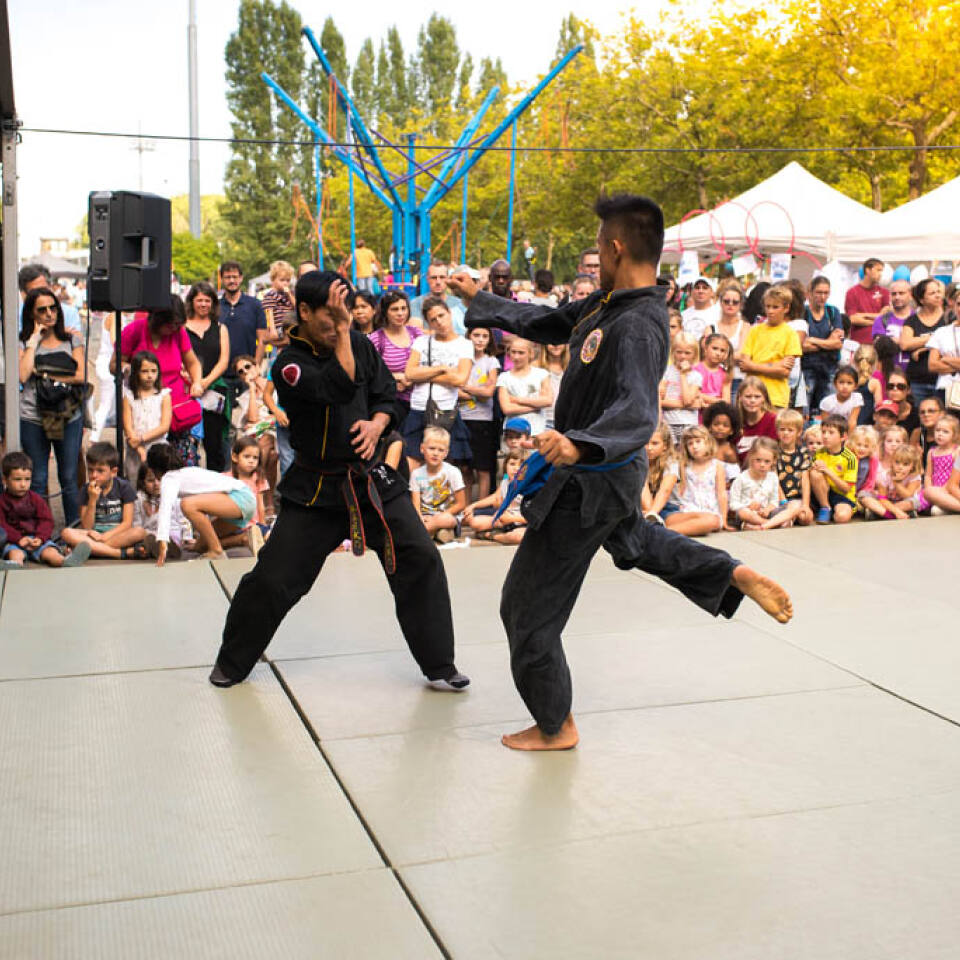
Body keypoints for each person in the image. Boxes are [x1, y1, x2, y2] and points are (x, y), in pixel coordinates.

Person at [449, 193, 792, 751]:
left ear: (614, 248)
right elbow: (549, 321)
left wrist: (580, 445)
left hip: (591, 475)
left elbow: (636, 409)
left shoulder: (636, 326)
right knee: (635, 541)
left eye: (598, 246)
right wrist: (482, 300)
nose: (596, 258)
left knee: (525, 607)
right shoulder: (608, 305)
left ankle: (555, 725)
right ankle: (728, 573)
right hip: (609, 473)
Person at [210, 271, 470, 692]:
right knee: (273, 579)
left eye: (344, 316)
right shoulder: (290, 364)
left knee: (420, 556)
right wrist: (347, 330)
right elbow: (339, 385)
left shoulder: (361, 345)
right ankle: (232, 661)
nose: (339, 327)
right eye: (330, 318)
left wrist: (377, 424)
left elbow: (388, 396)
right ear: (305, 311)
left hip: (371, 479)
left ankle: (440, 663)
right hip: (316, 487)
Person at [17, 287, 86, 526]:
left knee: (68, 476)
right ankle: (39, 530)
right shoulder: (24, 341)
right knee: (37, 477)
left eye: (53, 308)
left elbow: (81, 375)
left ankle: (73, 529)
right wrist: (33, 342)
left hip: (68, 415)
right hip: (33, 416)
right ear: (31, 314)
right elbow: (23, 375)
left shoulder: (72, 339)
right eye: (42, 310)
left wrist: (45, 372)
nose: (49, 313)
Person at [116, 295, 205, 467]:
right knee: (146, 465)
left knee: (178, 464)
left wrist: (196, 382)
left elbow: (193, 362)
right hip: (143, 408)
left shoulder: (179, 333)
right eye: (171, 324)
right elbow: (114, 364)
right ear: (158, 319)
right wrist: (130, 370)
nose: (174, 329)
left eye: (178, 325)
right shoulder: (134, 330)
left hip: (175, 410)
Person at [144, 442, 256, 564]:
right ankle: (243, 539)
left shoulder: (169, 478)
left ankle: (216, 551)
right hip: (246, 500)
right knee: (201, 546)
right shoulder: (187, 472)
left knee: (187, 505)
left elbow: (165, 509)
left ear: (154, 469)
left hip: (240, 498)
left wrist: (162, 540)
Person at [402, 297, 473, 468]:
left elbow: (460, 379)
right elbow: (409, 373)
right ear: (428, 323)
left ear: (449, 313)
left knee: (444, 467)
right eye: (433, 319)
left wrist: (423, 373)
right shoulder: (421, 342)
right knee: (412, 464)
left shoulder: (464, 344)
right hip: (418, 408)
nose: (439, 322)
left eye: (441, 315)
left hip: (445, 411)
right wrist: (441, 369)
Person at [0, 451, 90, 569]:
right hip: (15, 541)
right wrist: (18, 539)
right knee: (15, 553)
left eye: (27, 479)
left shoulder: (36, 499)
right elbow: (3, 525)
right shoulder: (2, 501)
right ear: (5, 480)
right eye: (17, 479)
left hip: (38, 540)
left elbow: (46, 520)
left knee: (50, 552)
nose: (23, 484)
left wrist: (40, 538)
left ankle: (65, 561)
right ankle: (15, 565)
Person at [61, 442, 148, 560]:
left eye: (100, 471)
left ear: (113, 472)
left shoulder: (124, 487)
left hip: (116, 534)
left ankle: (92, 550)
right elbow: (86, 526)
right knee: (66, 533)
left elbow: (127, 523)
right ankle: (120, 553)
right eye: (90, 470)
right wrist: (92, 500)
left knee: (139, 532)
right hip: (92, 535)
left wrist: (104, 537)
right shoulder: (86, 490)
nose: (94, 475)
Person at [185, 281, 231, 472]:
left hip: (214, 391)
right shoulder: (181, 328)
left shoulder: (220, 328)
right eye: (199, 300)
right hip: (187, 391)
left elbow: (223, 361)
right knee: (188, 445)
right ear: (191, 302)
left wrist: (204, 382)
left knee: (215, 445)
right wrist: (193, 382)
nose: (203, 304)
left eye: (207, 300)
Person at [736, 285, 802, 410]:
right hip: (752, 394)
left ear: (786, 308)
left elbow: (784, 372)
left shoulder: (790, 334)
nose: (770, 311)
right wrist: (775, 365)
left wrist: (753, 366)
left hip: (776, 397)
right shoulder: (755, 331)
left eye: (775, 307)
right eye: (768, 306)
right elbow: (744, 364)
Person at [458, 326, 500, 499]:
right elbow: (454, 391)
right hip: (462, 418)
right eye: (476, 335)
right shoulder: (460, 360)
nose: (480, 339)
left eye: (485, 336)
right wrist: (478, 391)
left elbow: (489, 392)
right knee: (465, 468)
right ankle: (466, 508)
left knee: (483, 468)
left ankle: (481, 507)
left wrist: (466, 388)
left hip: (484, 420)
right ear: (468, 336)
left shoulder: (491, 361)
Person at [666, 425, 728, 536]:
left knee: (713, 521)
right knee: (672, 519)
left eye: (698, 441)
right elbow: (681, 489)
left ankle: (667, 532)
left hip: (711, 511)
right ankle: (670, 531)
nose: (694, 446)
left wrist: (724, 518)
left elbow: (721, 493)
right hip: (689, 510)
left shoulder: (716, 465)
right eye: (690, 444)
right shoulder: (685, 465)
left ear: (708, 442)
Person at [368, 290, 421, 419]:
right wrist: (395, 377)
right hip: (392, 405)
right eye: (394, 309)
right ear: (385, 312)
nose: (400, 313)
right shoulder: (376, 339)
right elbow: (369, 374)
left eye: (403, 308)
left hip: (420, 403)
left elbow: (430, 364)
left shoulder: (416, 334)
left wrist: (412, 378)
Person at [730, 437, 801, 530]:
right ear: (751, 457)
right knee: (742, 512)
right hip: (750, 514)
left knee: (797, 504)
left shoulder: (773, 477)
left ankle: (765, 526)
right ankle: (774, 524)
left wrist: (767, 509)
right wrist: (747, 505)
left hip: (768, 513)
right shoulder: (741, 478)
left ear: (773, 461)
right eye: (758, 460)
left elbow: (774, 501)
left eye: (767, 461)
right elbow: (733, 503)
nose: (762, 465)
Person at [409, 426, 467, 539]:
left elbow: (461, 503)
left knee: (446, 520)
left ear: (446, 453)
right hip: (425, 516)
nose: (435, 453)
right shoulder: (416, 474)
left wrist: (436, 518)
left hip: (446, 515)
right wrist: (420, 518)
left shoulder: (453, 472)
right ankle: (436, 532)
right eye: (431, 448)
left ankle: (425, 532)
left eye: (440, 450)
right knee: (408, 517)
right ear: (422, 448)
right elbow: (416, 505)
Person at [121, 350, 172, 479]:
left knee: (158, 481)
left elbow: (164, 426)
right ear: (136, 372)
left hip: (158, 449)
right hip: (135, 451)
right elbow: (128, 427)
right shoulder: (129, 397)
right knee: (135, 482)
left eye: (153, 371)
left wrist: (141, 439)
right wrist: (139, 448)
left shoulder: (163, 396)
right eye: (144, 371)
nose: (150, 376)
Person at [464, 450, 528, 545]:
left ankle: (493, 536)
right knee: (474, 522)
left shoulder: (530, 487)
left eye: (521, 465)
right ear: (505, 465)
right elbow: (494, 498)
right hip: (504, 520)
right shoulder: (505, 482)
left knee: (518, 537)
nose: (516, 468)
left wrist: (512, 518)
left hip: (522, 522)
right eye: (512, 464)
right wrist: (473, 505)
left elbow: (533, 518)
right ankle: (501, 532)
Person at [900, 278, 947, 403]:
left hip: (943, 380)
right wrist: (935, 337)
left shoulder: (948, 318)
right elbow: (905, 344)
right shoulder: (912, 320)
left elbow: (950, 343)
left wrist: (922, 348)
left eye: (938, 292)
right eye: (932, 293)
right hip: (917, 381)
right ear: (922, 300)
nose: (937, 295)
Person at [801, 275, 844, 413]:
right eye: (819, 292)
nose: (822, 297)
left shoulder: (833, 312)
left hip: (829, 369)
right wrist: (828, 342)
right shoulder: (803, 313)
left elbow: (837, 343)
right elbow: (801, 346)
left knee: (829, 410)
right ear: (810, 293)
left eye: (826, 293)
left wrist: (813, 340)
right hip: (807, 369)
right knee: (804, 410)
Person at [222, 436, 268, 555]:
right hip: (234, 525)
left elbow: (260, 505)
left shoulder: (258, 478)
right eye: (247, 456)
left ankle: (248, 539)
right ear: (235, 457)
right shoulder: (225, 479)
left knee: (270, 535)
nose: (251, 461)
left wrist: (262, 525)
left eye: (255, 458)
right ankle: (237, 540)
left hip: (254, 525)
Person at [496, 338, 553, 436]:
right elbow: (507, 409)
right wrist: (536, 406)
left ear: (531, 354)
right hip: (513, 432)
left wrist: (517, 400)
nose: (516, 357)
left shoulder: (541, 374)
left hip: (537, 430)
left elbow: (547, 401)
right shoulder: (504, 377)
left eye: (521, 353)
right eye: (513, 352)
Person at [218, 261, 268, 367]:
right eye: (227, 277)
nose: (231, 280)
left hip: (247, 370)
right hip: (220, 371)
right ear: (222, 279)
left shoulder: (255, 305)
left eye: (235, 277)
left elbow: (262, 340)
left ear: (241, 278)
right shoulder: (215, 307)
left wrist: (255, 367)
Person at [811, 414, 858, 524]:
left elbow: (846, 488)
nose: (825, 436)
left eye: (831, 432)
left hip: (842, 496)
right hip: (822, 493)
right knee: (814, 473)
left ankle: (833, 511)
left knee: (842, 517)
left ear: (843, 437)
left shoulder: (850, 458)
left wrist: (827, 470)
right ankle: (825, 508)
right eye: (823, 432)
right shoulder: (818, 453)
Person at [660, 332, 702, 443]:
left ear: (694, 354)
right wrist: (690, 405)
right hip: (669, 423)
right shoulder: (666, 372)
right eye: (679, 352)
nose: (683, 356)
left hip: (689, 423)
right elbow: (660, 400)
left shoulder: (696, 376)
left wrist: (683, 375)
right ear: (673, 352)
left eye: (687, 353)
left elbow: (687, 400)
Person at [775, 408, 813, 525]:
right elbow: (774, 479)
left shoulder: (803, 452)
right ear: (777, 431)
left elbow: (805, 480)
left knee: (806, 518)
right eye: (782, 429)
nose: (786, 433)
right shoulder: (773, 451)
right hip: (779, 498)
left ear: (799, 432)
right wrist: (783, 501)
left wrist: (805, 505)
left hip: (797, 498)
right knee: (789, 512)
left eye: (790, 430)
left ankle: (788, 517)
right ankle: (786, 518)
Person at [917, 415, 960, 515]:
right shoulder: (932, 452)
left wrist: (943, 490)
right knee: (924, 496)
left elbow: (954, 480)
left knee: (934, 508)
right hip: (935, 489)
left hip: (950, 490)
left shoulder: (956, 451)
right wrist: (928, 488)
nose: (940, 434)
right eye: (938, 430)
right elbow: (928, 475)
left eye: (945, 432)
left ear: (955, 435)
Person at [926, 284, 960, 406]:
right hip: (945, 388)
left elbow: (939, 362)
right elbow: (932, 365)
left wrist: (946, 359)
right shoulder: (941, 332)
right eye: (959, 304)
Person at [410, 261, 466, 333]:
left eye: (442, 277)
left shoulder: (459, 304)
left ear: (447, 279)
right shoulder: (416, 303)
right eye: (434, 278)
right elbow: (416, 332)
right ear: (427, 279)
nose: (438, 282)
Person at [715, 282, 748, 401]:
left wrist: (717, 355)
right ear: (720, 302)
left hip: (737, 380)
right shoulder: (711, 327)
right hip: (714, 378)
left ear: (741, 304)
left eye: (735, 302)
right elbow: (706, 355)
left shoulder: (745, 326)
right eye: (726, 301)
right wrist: (733, 357)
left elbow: (742, 355)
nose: (730, 304)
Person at [640, 424, 680, 523]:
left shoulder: (671, 462)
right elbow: (643, 491)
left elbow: (665, 491)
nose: (649, 448)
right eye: (645, 443)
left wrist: (652, 513)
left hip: (668, 507)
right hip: (644, 508)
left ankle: (654, 526)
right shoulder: (638, 462)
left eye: (655, 443)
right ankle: (654, 525)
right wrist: (650, 514)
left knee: (711, 520)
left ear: (665, 446)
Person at [734, 376, 779, 464]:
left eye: (757, 397)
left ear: (764, 398)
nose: (752, 400)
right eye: (748, 396)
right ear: (740, 397)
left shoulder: (774, 420)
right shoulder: (734, 422)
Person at [845, 258, 890, 344]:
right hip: (859, 342)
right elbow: (853, 319)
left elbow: (885, 317)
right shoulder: (852, 292)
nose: (880, 274)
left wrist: (863, 315)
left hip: (880, 342)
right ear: (868, 270)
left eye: (881, 271)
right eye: (878, 270)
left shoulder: (884, 292)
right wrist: (877, 319)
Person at [819, 364, 864, 433]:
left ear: (855, 386)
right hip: (831, 432)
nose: (845, 386)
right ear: (835, 384)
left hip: (849, 432)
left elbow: (852, 422)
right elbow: (825, 425)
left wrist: (848, 438)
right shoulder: (827, 402)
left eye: (849, 383)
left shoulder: (856, 398)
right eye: (841, 382)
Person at [694, 333, 732, 409]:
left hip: (717, 412)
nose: (718, 353)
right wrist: (718, 401)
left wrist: (708, 402)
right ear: (705, 348)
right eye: (714, 348)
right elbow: (694, 394)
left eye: (722, 351)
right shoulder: (695, 369)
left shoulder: (725, 374)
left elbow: (727, 401)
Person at [681, 276, 718, 341]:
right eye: (697, 288)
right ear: (692, 292)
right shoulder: (683, 315)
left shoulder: (719, 313)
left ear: (712, 293)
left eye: (705, 288)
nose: (700, 291)